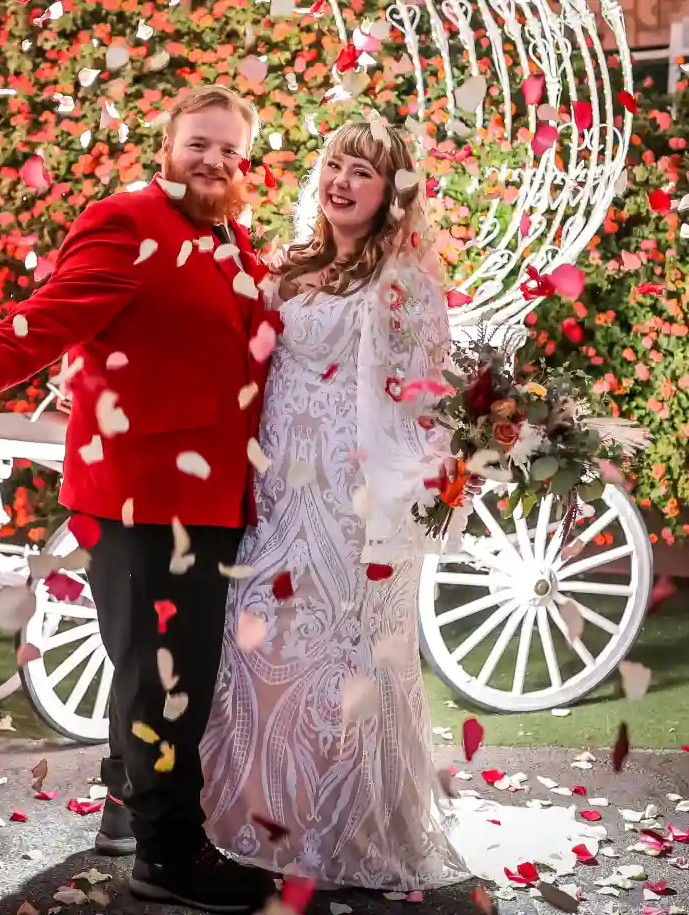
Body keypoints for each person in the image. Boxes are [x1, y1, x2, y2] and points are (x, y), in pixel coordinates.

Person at [0, 84, 280, 914]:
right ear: (167, 147)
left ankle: (125, 806)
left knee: (155, 668)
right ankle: (169, 857)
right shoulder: (129, 218)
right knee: (168, 677)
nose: (213, 160)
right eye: (198, 145)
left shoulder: (230, 235)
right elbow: (55, 313)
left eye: (228, 149)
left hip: (210, 495)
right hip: (145, 494)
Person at [197, 117, 478, 891]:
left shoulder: (410, 288)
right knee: (259, 645)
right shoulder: (284, 272)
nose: (343, 180)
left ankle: (345, 834)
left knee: (344, 663)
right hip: (276, 496)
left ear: (391, 194)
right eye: (334, 164)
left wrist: (447, 469)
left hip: (356, 507)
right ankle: (258, 825)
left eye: (363, 170)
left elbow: (428, 402)